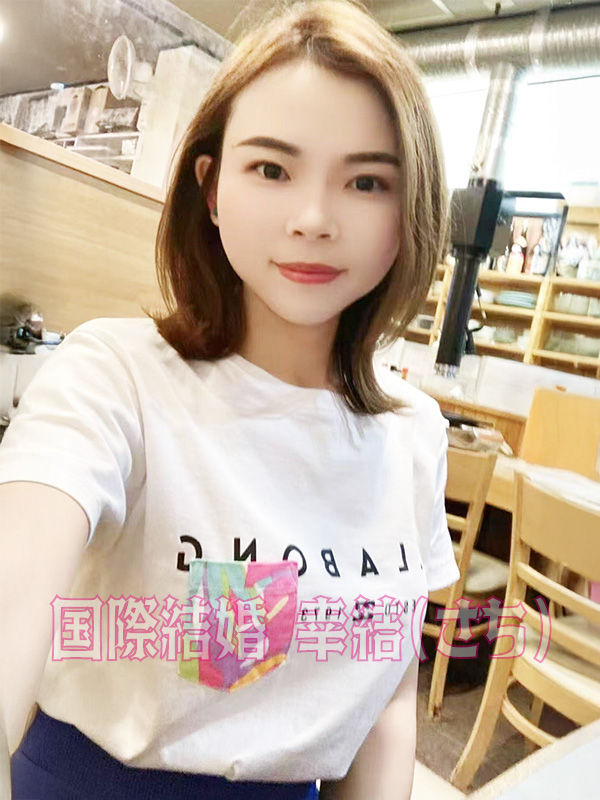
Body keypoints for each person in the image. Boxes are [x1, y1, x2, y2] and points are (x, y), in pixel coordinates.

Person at [0, 1, 460, 797]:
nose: (313, 219)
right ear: (211, 190)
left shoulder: (412, 431)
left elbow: (385, 691)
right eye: (272, 169)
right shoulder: (118, 376)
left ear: (407, 210)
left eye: (366, 181)